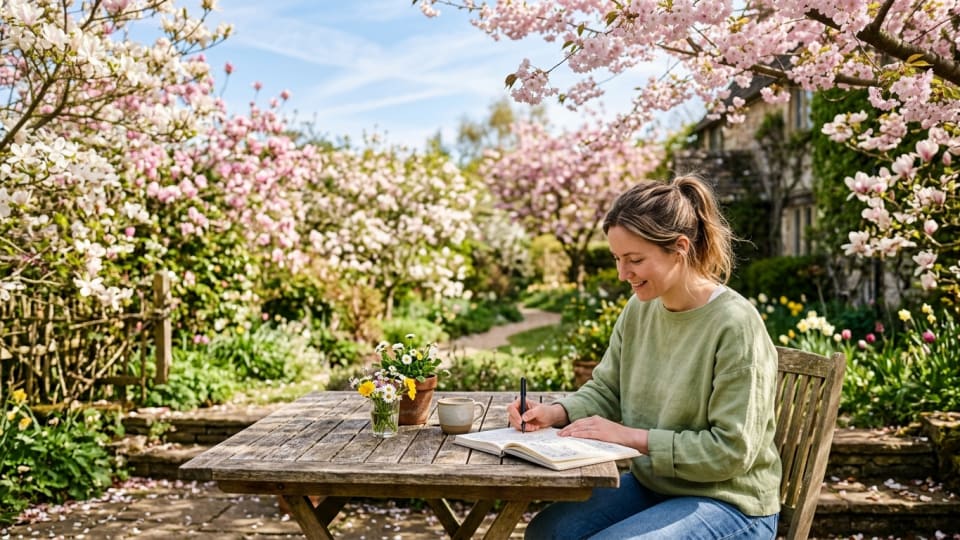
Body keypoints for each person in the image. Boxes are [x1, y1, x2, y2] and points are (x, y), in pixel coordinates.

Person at [510, 175, 781, 539]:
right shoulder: (639, 310)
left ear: (680, 247)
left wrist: (632, 438)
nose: (623, 274)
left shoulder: (735, 325)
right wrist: (554, 413)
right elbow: (607, 389)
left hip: (731, 503)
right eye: (618, 259)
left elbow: (731, 453)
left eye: (635, 259)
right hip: (657, 485)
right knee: (547, 533)